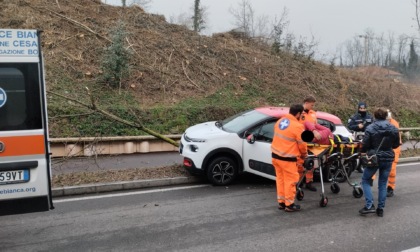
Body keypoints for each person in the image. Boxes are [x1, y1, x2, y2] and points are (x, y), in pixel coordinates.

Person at [359, 107, 399, 217]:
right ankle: (380, 208)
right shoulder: (394, 128)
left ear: (375, 116)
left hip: (374, 157)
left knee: (365, 180)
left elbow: (365, 144)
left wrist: (363, 151)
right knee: (382, 183)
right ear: (386, 116)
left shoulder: (370, 128)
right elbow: (395, 145)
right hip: (388, 158)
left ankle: (369, 205)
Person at [271, 104, 307, 212]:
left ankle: (281, 202)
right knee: (290, 181)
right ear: (298, 114)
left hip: (276, 156)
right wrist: (304, 154)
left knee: (281, 180)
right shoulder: (297, 126)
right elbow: (302, 144)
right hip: (287, 158)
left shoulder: (280, 121)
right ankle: (289, 204)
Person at [298, 95, 320, 191]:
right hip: (300, 140)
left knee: (310, 162)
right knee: (300, 162)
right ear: (306, 103)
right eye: (311, 105)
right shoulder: (299, 113)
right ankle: (299, 182)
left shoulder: (313, 113)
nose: (312, 107)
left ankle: (309, 182)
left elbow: (316, 125)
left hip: (311, 141)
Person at [348, 101, 373, 172]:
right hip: (357, 136)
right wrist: (357, 126)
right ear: (358, 108)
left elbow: (374, 125)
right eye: (361, 108)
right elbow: (349, 126)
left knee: (366, 151)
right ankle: (355, 164)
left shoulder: (370, 117)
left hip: (367, 136)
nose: (362, 110)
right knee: (357, 152)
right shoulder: (354, 117)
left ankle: (364, 164)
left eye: (364, 108)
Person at [386, 110, 402, 197]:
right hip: (385, 148)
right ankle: (369, 181)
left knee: (392, 170)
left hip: (394, 149)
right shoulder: (380, 122)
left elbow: (396, 140)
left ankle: (390, 188)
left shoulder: (394, 124)